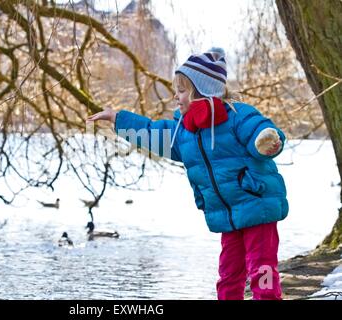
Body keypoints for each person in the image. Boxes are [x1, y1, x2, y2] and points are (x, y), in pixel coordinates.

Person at [86, 47, 288, 300]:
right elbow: (151, 132)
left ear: (201, 91)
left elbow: (262, 131)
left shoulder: (237, 115)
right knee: (228, 273)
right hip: (228, 214)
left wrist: (268, 141)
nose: (175, 97)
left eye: (181, 91)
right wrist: (118, 119)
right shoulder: (184, 132)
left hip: (257, 205)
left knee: (263, 269)